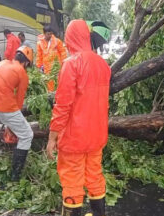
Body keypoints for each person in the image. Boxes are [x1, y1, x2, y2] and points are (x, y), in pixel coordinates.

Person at [46, 20, 111, 216]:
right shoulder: (103, 65)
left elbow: (63, 106)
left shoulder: (71, 64)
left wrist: (52, 137)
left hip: (74, 138)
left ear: (70, 37)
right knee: (95, 178)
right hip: (97, 135)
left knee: (72, 182)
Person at [0, 46, 34, 181]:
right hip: (5, 105)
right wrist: (11, 127)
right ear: (27, 63)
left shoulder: (1, 63)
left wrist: (9, 124)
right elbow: (19, 100)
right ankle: (15, 176)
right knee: (27, 135)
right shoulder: (22, 72)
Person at [36, 25, 67, 92]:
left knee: (57, 83)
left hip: (56, 67)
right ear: (44, 34)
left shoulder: (57, 41)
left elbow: (63, 52)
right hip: (46, 68)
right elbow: (39, 56)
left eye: (51, 34)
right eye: (48, 34)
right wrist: (39, 66)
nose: (49, 35)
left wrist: (63, 64)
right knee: (48, 84)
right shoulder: (39, 43)